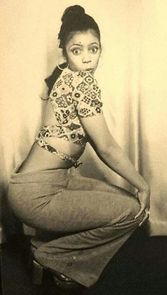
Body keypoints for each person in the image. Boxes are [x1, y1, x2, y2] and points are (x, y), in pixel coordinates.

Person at [7, 5, 150, 291]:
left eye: (93, 49)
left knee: (123, 203)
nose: (86, 58)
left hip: (49, 183)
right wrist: (143, 184)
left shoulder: (63, 75)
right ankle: (51, 255)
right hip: (37, 195)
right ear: (65, 52)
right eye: (77, 50)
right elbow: (106, 147)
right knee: (134, 209)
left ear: (101, 49)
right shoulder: (84, 84)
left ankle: (49, 248)